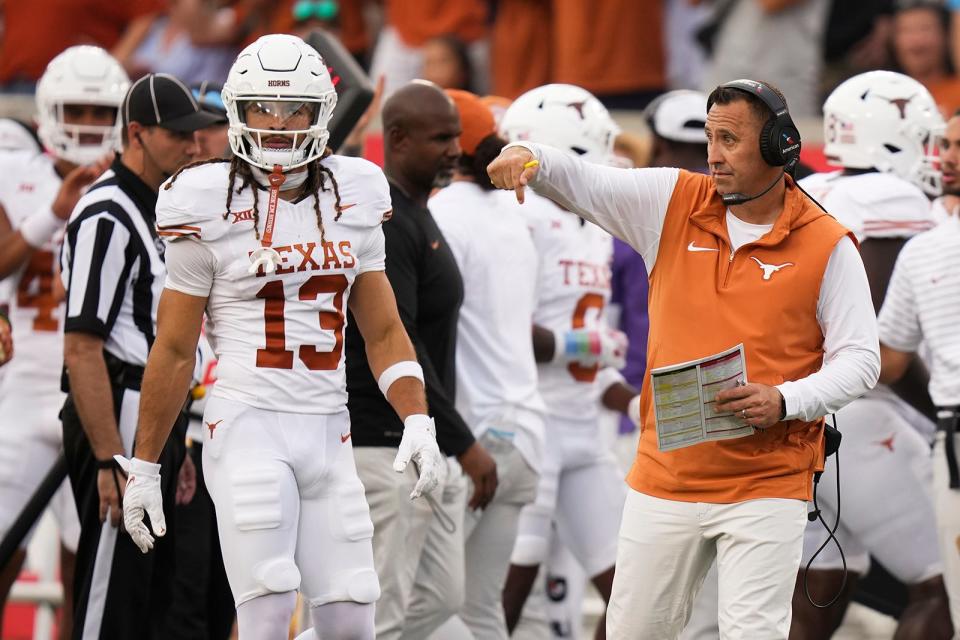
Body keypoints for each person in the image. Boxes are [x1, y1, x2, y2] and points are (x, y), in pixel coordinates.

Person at [488, 78, 880, 638]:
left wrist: (785, 399)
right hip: (665, 474)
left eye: (730, 139)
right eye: (710, 138)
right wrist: (532, 156)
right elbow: (584, 181)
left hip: (768, 479)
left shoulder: (827, 241)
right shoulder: (674, 200)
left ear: (779, 146)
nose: (713, 155)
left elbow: (861, 359)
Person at [116, 35, 446, 640]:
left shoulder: (357, 190)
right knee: (266, 612)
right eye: (262, 108)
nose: (276, 124)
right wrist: (143, 465)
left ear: (322, 111)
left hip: (328, 427)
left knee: (351, 619)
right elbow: (174, 348)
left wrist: (418, 419)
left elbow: (383, 328)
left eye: (294, 107)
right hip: (248, 425)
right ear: (237, 111)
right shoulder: (204, 199)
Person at [791, 70, 952, 640]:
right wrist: (941, 414)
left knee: (821, 590)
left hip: (799, 415)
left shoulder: (814, 188)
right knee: (944, 586)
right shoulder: (892, 197)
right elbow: (883, 346)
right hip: (854, 415)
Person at [58, 71, 219, 639]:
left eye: (194, 133)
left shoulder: (159, 207)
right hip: (121, 413)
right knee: (114, 597)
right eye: (177, 133)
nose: (193, 145)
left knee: (154, 598)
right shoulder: (107, 212)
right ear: (137, 134)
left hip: (153, 415)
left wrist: (176, 440)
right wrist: (109, 459)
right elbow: (82, 346)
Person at [343, 81, 497, 640]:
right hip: (383, 441)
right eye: (441, 138)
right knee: (378, 614)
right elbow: (400, 337)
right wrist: (464, 441)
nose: (455, 148)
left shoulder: (417, 213)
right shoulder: (389, 219)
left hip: (419, 440)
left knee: (438, 598)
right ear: (398, 139)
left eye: (457, 135)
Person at [495, 83, 638, 640]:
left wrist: (633, 398)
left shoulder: (591, 229)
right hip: (529, 425)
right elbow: (502, 329)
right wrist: (586, 346)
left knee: (635, 594)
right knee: (503, 597)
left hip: (582, 430)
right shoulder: (521, 218)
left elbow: (592, 367)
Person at [0, 45, 128, 640]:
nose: (87, 124)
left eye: (101, 112)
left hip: (97, 390)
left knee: (92, 569)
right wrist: (53, 212)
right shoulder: (13, 173)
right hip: (25, 387)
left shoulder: (134, 188)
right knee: (3, 547)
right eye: (76, 108)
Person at [428, 88, 544, 640]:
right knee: (479, 614)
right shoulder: (513, 214)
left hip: (473, 439)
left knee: (410, 607)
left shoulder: (439, 215)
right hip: (526, 432)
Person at [878, 108, 960, 634]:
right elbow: (890, 360)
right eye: (946, 145)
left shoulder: (924, 248)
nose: (948, 156)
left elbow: (889, 363)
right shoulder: (923, 247)